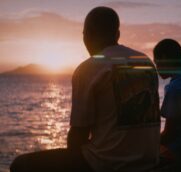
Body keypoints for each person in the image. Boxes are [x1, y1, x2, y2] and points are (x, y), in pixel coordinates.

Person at [10, 6, 160, 172]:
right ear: (117, 35)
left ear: (87, 33)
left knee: (20, 165)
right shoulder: (145, 61)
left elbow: (78, 134)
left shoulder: (89, 68)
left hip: (107, 163)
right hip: (149, 161)